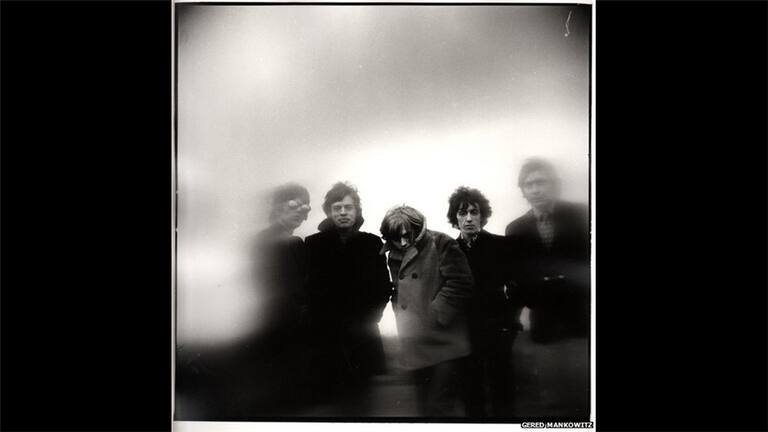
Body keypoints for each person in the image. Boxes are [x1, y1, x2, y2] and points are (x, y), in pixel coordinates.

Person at [505, 158, 590, 417]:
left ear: (554, 184)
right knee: (554, 401)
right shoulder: (515, 229)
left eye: (540, 182)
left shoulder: (581, 216)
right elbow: (517, 279)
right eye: (528, 184)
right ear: (522, 190)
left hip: (581, 321)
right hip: (544, 324)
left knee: (586, 397)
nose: (535, 189)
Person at [379, 205, 474, 417]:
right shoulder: (392, 253)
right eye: (396, 238)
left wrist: (435, 314)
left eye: (407, 235)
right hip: (415, 344)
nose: (403, 242)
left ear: (417, 228)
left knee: (439, 408)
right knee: (423, 409)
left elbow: (461, 282)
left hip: (444, 342)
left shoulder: (441, 243)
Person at [304, 182, 392, 406]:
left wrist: (371, 317)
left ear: (357, 211)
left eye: (348, 207)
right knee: (332, 401)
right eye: (337, 208)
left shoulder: (372, 243)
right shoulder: (313, 244)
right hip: (326, 336)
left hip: (363, 334)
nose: (343, 212)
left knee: (363, 400)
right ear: (329, 212)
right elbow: (308, 288)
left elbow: (383, 286)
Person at [446, 186, 522, 418]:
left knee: (502, 393)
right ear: (455, 218)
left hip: (497, 331)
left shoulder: (502, 246)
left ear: (482, 215)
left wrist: (509, 325)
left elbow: (517, 288)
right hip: (463, 334)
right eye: (462, 213)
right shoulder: (448, 251)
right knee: (471, 395)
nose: (469, 218)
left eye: (474, 212)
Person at [246, 182, 314, 414]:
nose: (300, 211)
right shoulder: (280, 243)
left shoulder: (275, 241)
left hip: (277, 332)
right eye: (294, 204)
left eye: (305, 207)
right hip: (279, 334)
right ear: (276, 207)